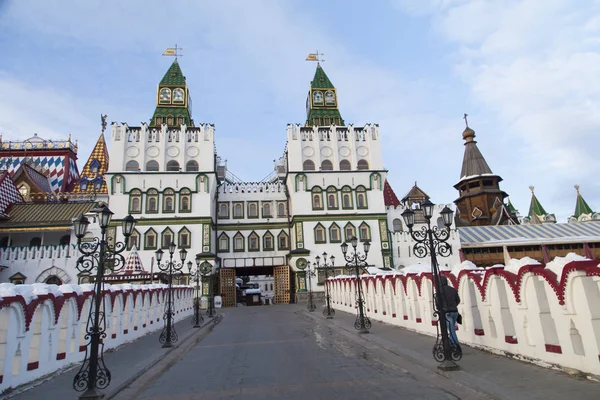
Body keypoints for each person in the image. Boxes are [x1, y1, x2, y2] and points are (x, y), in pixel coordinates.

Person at [437, 275, 461, 347]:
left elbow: (438, 303)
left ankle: (456, 346)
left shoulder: (440, 291)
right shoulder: (452, 289)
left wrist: (441, 309)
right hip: (455, 311)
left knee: (451, 330)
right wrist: (453, 306)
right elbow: (458, 300)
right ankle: (451, 344)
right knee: (452, 328)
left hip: (447, 312)